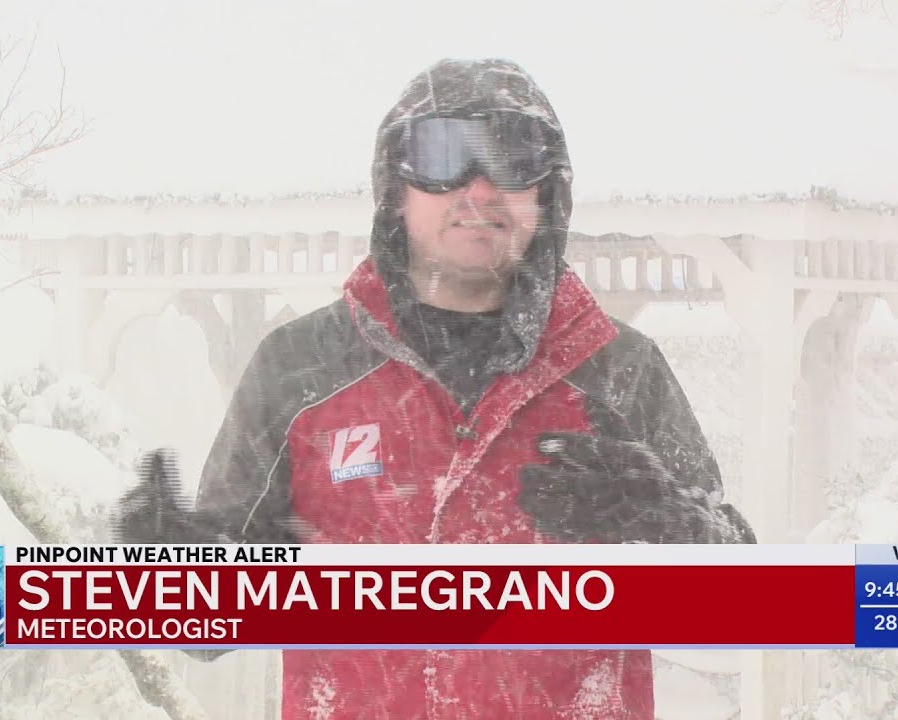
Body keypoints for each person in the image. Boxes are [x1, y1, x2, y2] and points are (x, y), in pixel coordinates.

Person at [117, 57, 755, 719]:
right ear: (396, 187)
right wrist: (167, 577)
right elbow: (210, 620)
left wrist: (672, 526)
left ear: (547, 191)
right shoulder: (301, 370)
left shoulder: (620, 372)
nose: (479, 189)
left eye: (512, 158)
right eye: (442, 156)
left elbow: (743, 618)